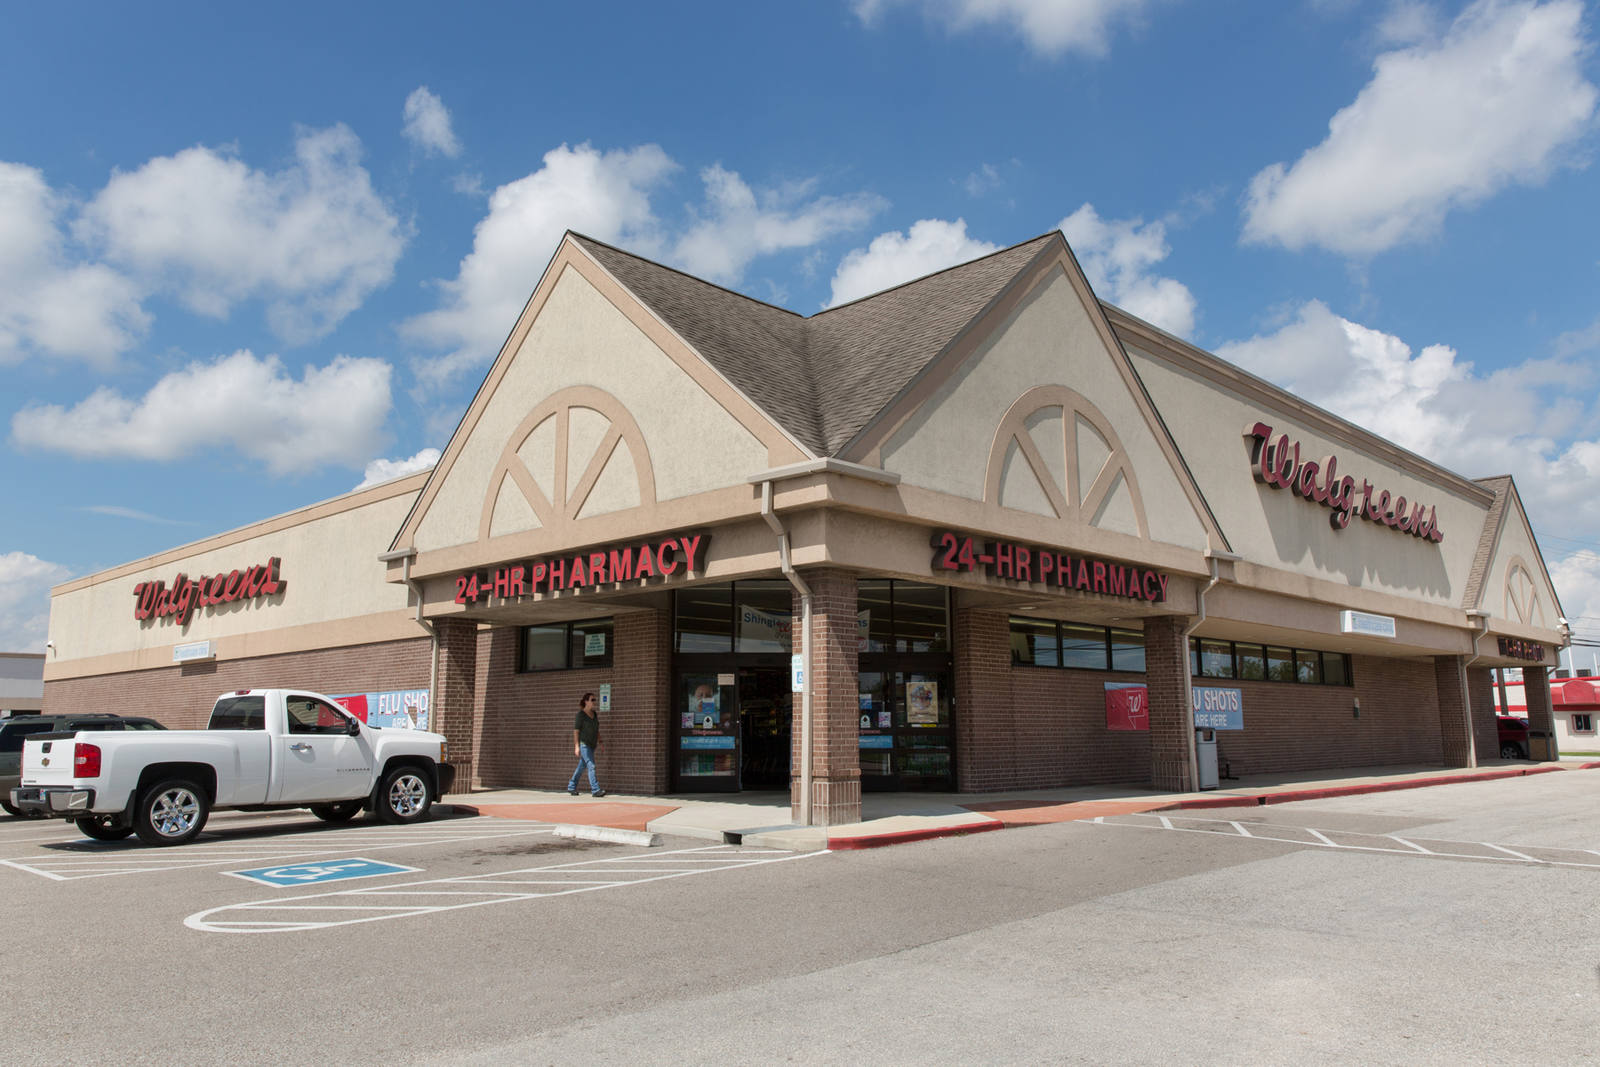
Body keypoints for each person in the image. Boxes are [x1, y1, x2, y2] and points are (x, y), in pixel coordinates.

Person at [568, 691, 605, 797]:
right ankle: (595, 789)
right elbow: (576, 731)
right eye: (592, 700)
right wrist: (576, 746)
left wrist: (600, 741)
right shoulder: (581, 715)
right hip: (584, 745)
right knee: (591, 765)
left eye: (595, 700)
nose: (594, 702)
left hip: (592, 745)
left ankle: (571, 786)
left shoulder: (594, 714)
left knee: (581, 767)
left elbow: (596, 729)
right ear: (586, 701)